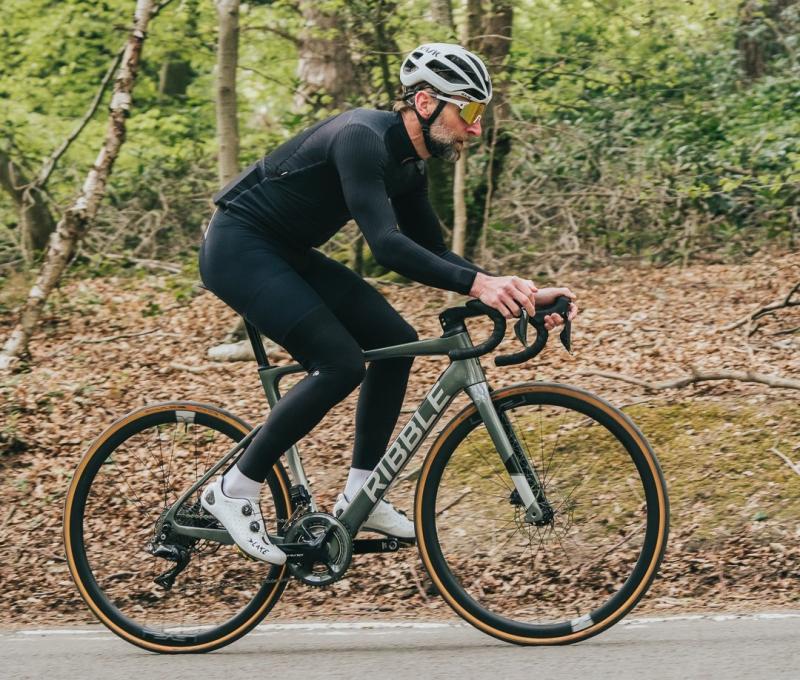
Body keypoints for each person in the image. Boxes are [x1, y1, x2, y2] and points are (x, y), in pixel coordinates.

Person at [198, 42, 578, 564]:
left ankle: (362, 495)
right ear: (426, 103)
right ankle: (234, 488)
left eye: (480, 115)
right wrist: (480, 286)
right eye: (468, 110)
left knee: (396, 344)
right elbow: (388, 246)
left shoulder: (408, 166)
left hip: (285, 252)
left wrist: (521, 293)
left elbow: (433, 250)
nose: (476, 129)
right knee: (340, 363)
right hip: (238, 248)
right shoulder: (361, 138)